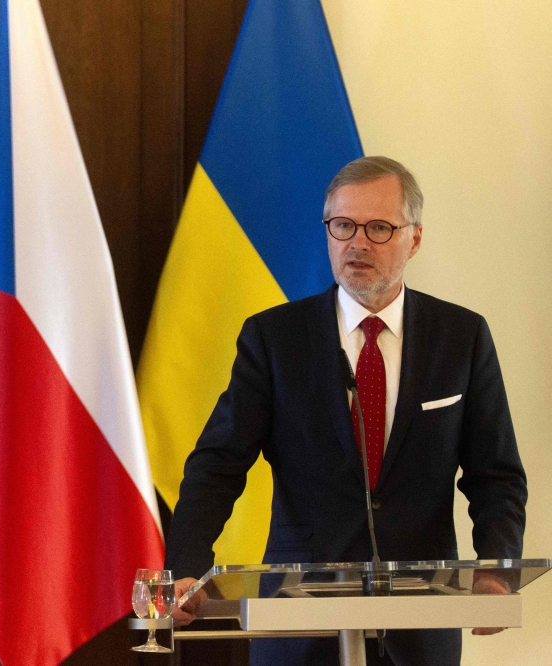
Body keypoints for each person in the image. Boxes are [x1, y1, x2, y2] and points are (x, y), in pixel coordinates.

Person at [164, 156, 527, 666]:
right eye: (343, 226)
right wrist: (187, 565)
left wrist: (495, 570)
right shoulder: (274, 340)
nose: (357, 242)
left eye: (379, 228)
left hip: (421, 625)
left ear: (414, 238)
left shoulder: (461, 337)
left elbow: (497, 476)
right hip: (299, 621)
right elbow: (217, 466)